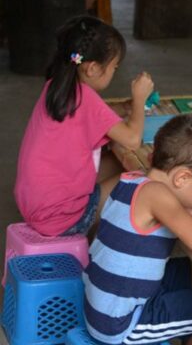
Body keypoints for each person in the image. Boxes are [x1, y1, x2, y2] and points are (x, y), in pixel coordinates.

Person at [83, 113, 192, 344]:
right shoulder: (157, 195)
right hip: (120, 323)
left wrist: (183, 214)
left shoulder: (133, 180)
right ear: (181, 178)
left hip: (109, 300)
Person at [14, 15, 154, 237]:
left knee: (116, 163)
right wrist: (139, 99)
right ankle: (103, 246)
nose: (114, 72)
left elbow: (91, 117)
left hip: (34, 205)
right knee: (143, 178)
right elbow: (132, 139)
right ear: (93, 68)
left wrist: (125, 109)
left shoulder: (57, 86)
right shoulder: (86, 97)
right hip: (61, 219)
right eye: (114, 67)